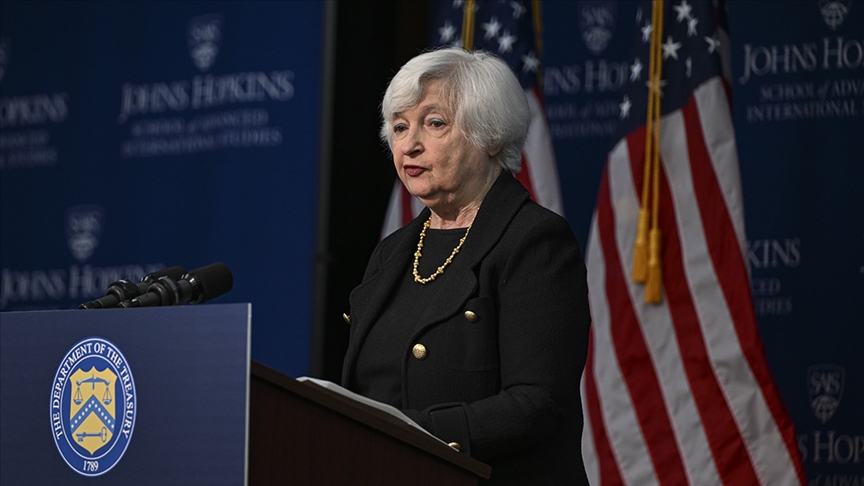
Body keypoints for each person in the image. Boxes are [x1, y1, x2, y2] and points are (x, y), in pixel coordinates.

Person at [341, 47, 590, 485]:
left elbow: (538, 403)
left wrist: (409, 434)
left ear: (490, 136)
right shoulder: (390, 254)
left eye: (434, 123)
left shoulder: (535, 241)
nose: (409, 144)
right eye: (400, 127)